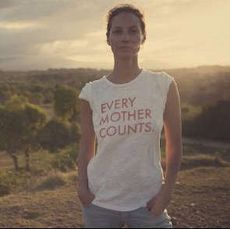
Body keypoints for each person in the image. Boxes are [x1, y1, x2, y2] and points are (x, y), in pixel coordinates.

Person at [77, 4, 182, 228]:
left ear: (143, 37)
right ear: (108, 38)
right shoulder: (91, 92)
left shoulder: (163, 85)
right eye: (118, 31)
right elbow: (87, 147)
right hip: (100, 203)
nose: (125, 37)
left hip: (147, 202)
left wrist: (166, 192)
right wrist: (83, 189)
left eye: (133, 31)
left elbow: (175, 146)